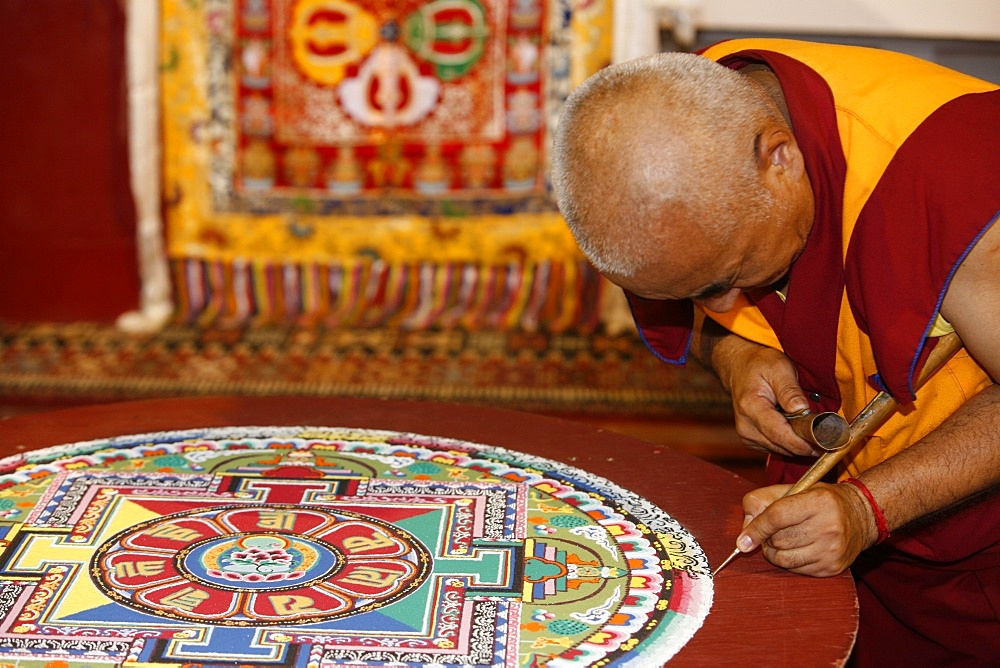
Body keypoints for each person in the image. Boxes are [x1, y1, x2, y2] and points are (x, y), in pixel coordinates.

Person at [551, 38, 999, 665]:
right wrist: (734, 354)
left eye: (723, 281)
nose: (728, 302)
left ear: (780, 158)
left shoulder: (955, 181)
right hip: (835, 537)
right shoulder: (689, 118)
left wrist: (871, 509)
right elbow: (688, 301)